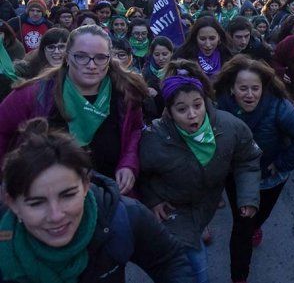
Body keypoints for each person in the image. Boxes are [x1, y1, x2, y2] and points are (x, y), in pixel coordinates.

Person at [0, 118, 194, 283]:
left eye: (68, 195)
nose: (56, 215)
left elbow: (169, 260)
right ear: (12, 204)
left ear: (85, 185)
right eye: (36, 203)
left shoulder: (123, 217)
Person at [138, 59, 261, 283]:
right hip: (175, 209)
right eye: (182, 109)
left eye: (197, 105)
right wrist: (152, 199)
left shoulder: (229, 126)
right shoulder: (154, 138)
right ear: (169, 111)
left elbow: (248, 159)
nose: (192, 114)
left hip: (207, 204)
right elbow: (139, 173)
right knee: (196, 263)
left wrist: (248, 196)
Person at [0, 25, 146, 194]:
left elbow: (135, 129)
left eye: (100, 58)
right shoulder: (33, 93)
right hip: (46, 198)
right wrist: (9, 180)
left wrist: (128, 163)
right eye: (81, 57)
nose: (91, 65)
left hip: (109, 194)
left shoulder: (125, 94)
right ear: (67, 57)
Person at [215, 55, 294, 282]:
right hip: (237, 177)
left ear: (264, 88)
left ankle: (255, 226)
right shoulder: (218, 106)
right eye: (243, 88)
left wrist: (281, 163)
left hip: (270, 177)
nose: (249, 94)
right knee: (242, 227)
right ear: (232, 89)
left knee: (256, 219)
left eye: (255, 88)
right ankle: (239, 277)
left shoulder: (278, 107)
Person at [142, 36, 174, 123]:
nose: (161, 58)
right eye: (157, 55)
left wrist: (158, 94)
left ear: (171, 53)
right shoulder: (147, 72)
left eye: (164, 54)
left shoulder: (177, 72)